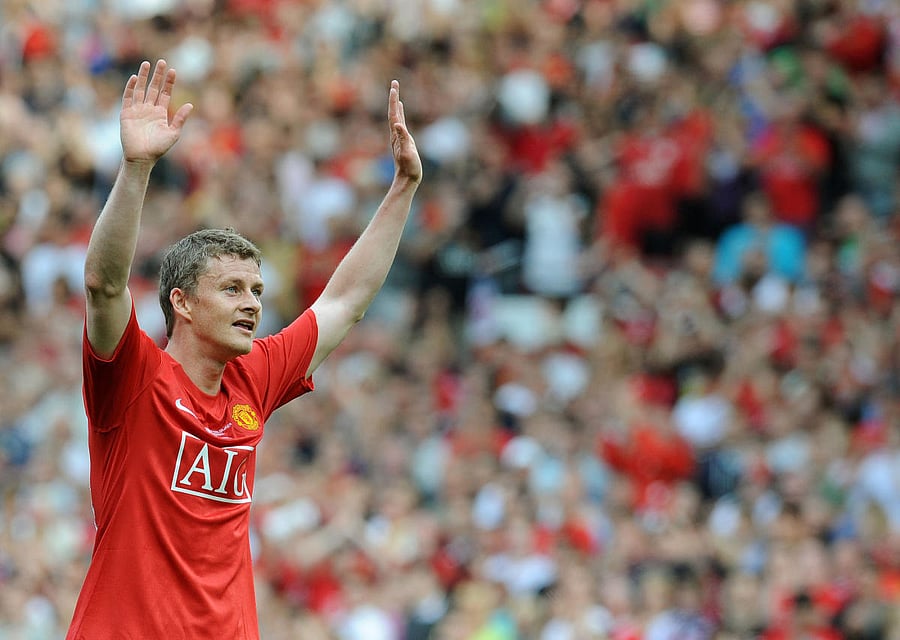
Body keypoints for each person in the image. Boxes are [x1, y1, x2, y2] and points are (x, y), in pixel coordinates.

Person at [67, 59, 422, 639]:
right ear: (181, 303)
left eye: (257, 290)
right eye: (231, 289)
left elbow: (345, 301)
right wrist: (135, 169)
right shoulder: (132, 376)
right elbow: (104, 284)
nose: (252, 303)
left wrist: (403, 188)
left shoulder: (254, 377)